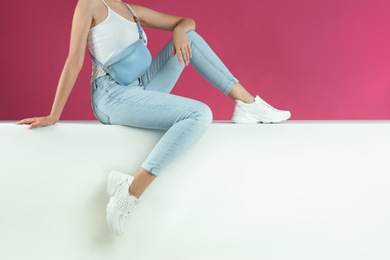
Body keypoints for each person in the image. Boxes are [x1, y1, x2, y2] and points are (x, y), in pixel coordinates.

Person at [15, 0, 291, 236]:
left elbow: (186, 21)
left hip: (141, 86)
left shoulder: (130, 9)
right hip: (111, 95)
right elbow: (73, 61)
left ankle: (247, 103)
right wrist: (54, 115)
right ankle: (130, 190)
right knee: (199, 113)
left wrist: (181, 31)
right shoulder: (89, 4)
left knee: (190, 38)